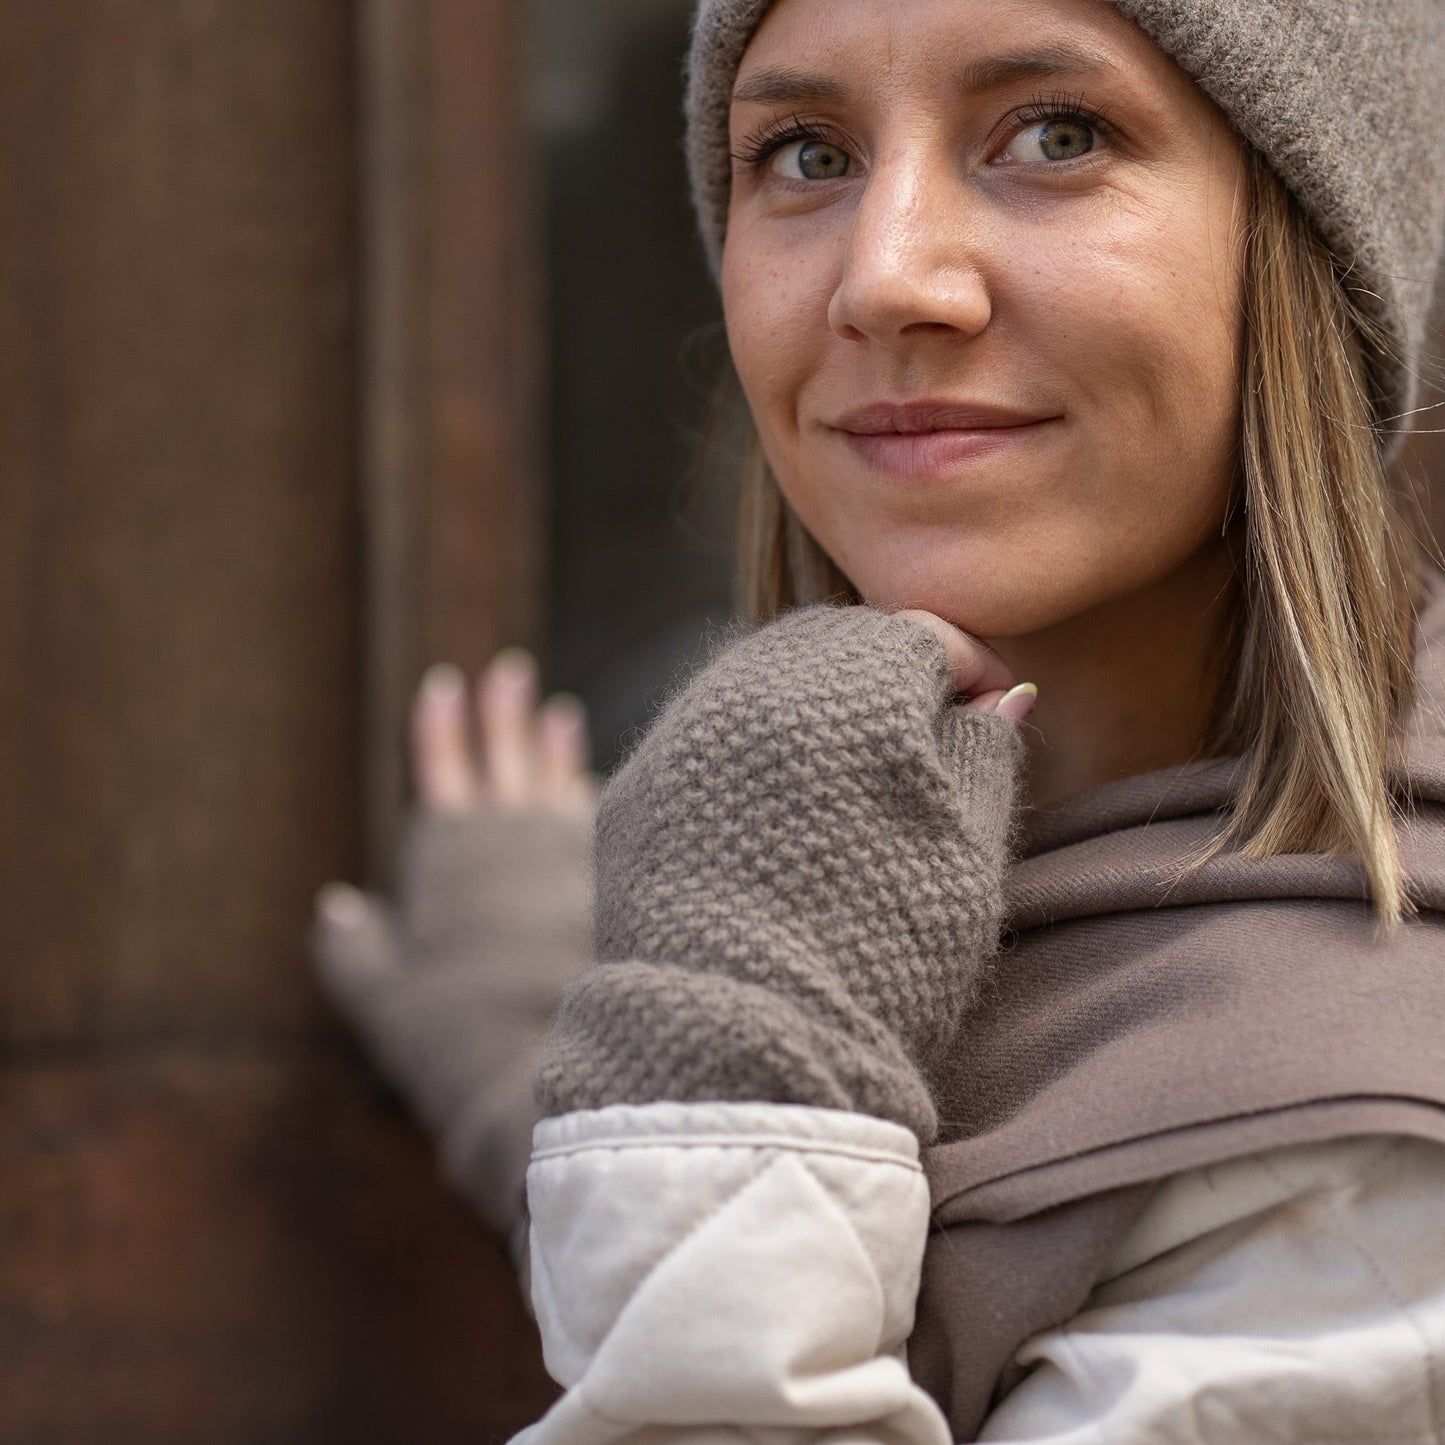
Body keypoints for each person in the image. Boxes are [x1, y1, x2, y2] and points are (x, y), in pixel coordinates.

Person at [312, 0, 1445, 1436]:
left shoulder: (1368, 1168)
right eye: (803, 153)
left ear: (1302, 242)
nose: (886, 274)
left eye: (1056, 133)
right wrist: (557, 1059)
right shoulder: (906, 860)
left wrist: (724, 1063)